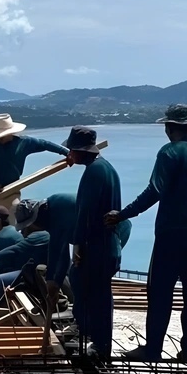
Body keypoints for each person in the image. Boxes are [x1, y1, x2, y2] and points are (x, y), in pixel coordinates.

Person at [106, 104, 187, 363]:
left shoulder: (169, 152)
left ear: (170, 128)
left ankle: (153, 349)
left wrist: (123, 214)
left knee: (160, 292)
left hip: (172, 233)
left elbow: (154, 191)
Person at [0, 114, 69, 258]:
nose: (0, 138)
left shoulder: (25, 143)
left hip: (13, 189)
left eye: (3, 135)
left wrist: (66, 152)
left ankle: (14, 255)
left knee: (16, 220)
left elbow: (45, 144)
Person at [65, 126, 123, 361]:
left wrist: (78, 243)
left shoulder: (93, 172)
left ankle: (99, 347)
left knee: (97, 297)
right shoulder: (107, 168)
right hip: (109, 242)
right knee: (98, 294)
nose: (71, 154)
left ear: (80, 151)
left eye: (72, 150)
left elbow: (85, 212)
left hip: (97, 245)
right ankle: (95, 339)